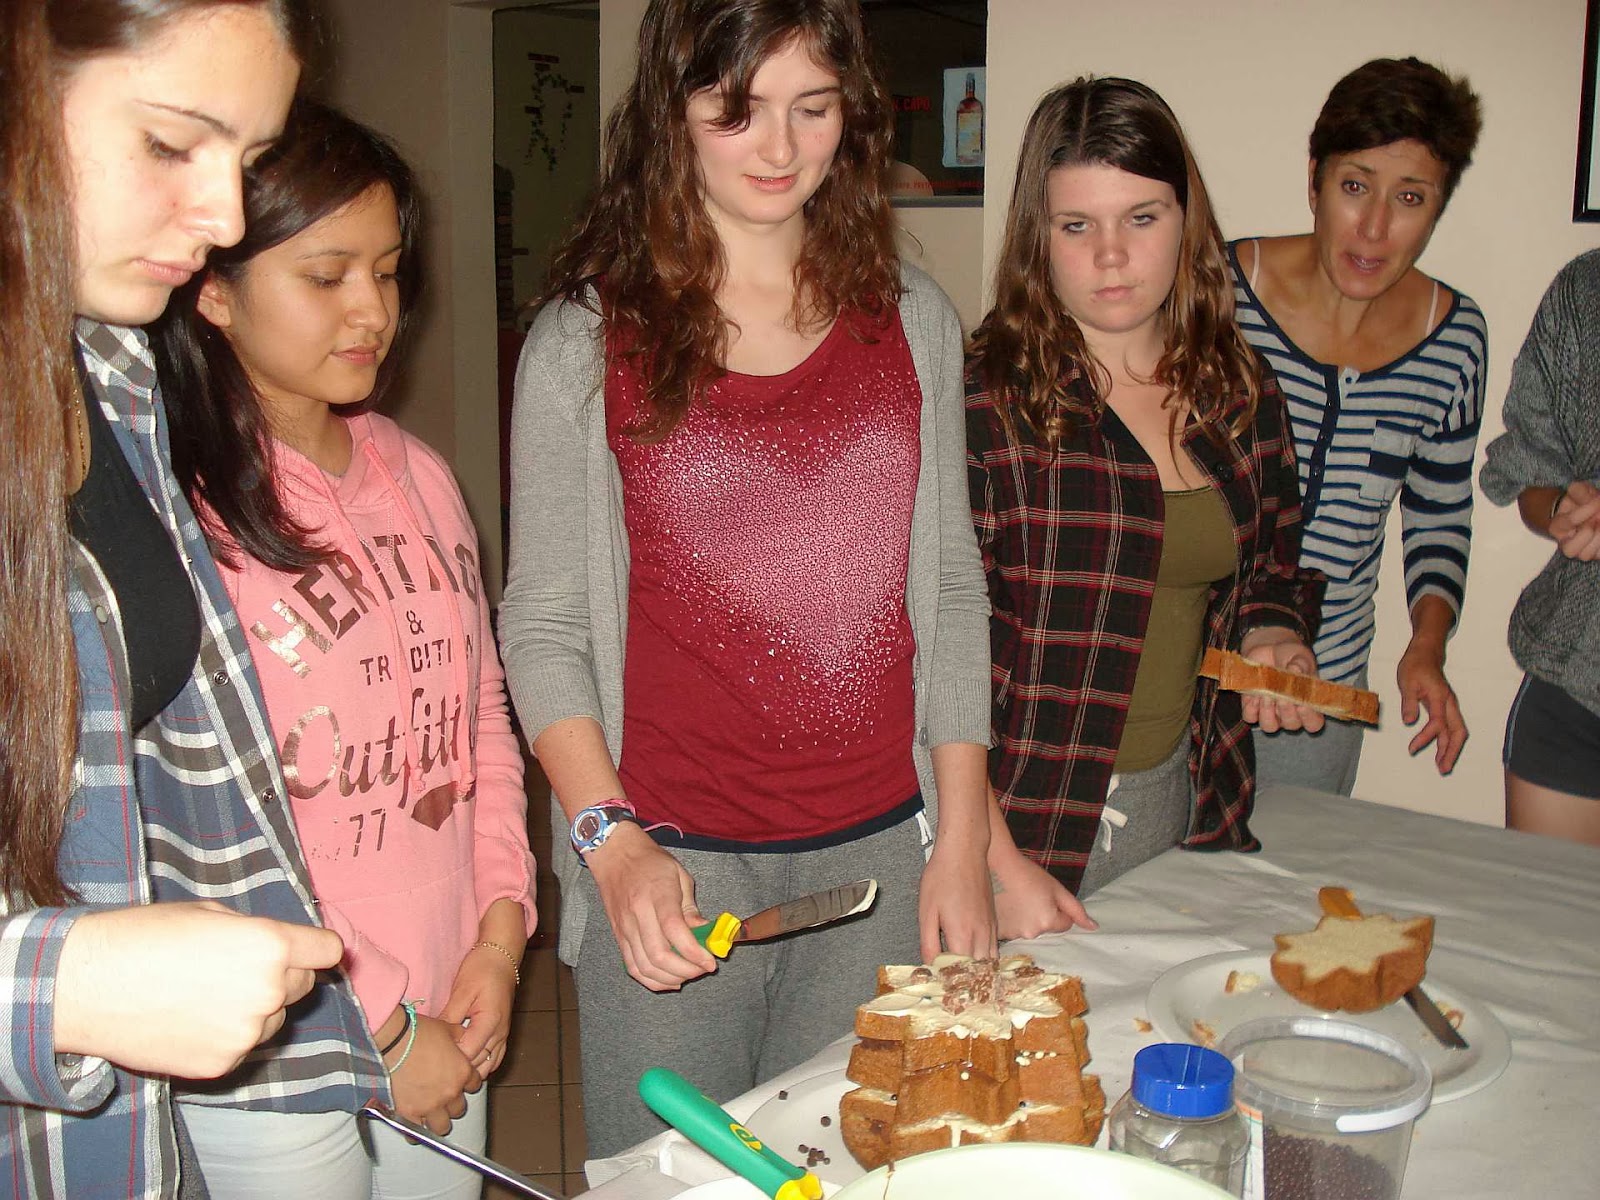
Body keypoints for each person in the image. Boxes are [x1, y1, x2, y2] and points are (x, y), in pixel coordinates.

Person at [497, 0, 1005, 1157]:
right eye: (739, 111)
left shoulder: (915, 322)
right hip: (670, 863)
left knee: (853, 1173)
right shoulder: (583, 341)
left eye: (812, 109)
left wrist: (964, 841)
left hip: (882, 860)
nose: (780, 149)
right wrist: (610, 843)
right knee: (665, 1177)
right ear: (671, 113)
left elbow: (950, 588)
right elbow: (543, 621)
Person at [0, 3, 391, 1197]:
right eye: (171, 144)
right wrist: (61, 990)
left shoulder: (107, 373)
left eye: (247, 159)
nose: (223, 218)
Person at [154, 101, 537, 1197]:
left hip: (450, 1006)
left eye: (388, 271)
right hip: (276, 1044)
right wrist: (379, 1024)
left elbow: (478, 721)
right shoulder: (180, 519)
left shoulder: (422, 476)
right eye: (326, 277)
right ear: (213, 289)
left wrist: (499, 939)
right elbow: (204, 828)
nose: (373, 310)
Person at [966, 76, 1327, 898]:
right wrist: (990, 858)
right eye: (1076, 225)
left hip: (1183, 796)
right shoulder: (986, 405)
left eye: (1141, 217)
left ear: (1185, 220)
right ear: (1036, 236)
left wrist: (1272, 634)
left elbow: (1270, 567)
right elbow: (937, 665)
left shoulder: (1238, 389)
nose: (1111, 256)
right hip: (1017, 821)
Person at [1229, 56, 1487, 796]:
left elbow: (1439, 515)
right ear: (1314, 178)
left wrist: (1427, 646)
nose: (1374, 228)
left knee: (1293, 870)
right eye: (1355, 187)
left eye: (1409, 197)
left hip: (1322, 692)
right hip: (1188, 678)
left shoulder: (1455, 339)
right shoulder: (1219, 292)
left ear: (1437, 207)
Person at [1480, 248, 1600, 846]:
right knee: (1542, 903)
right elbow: (1533, 469)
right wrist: (1563, 510)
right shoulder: (1586, 290)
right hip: (1576, 684)